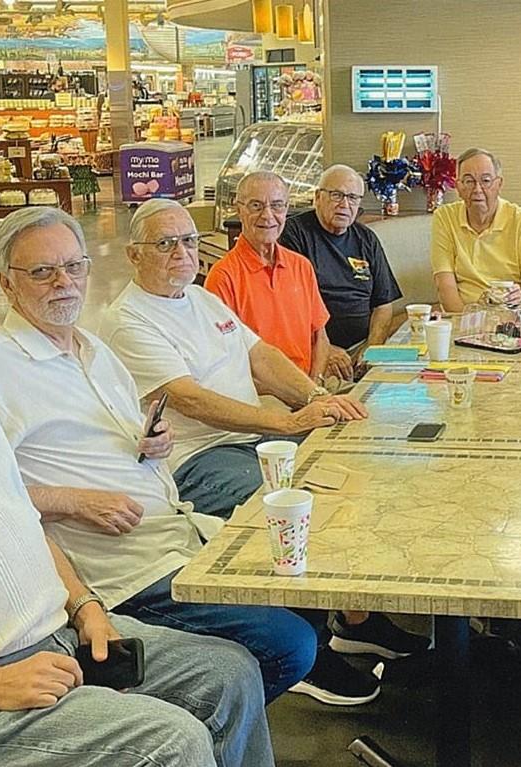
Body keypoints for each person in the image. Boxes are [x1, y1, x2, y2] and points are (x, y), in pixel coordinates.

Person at [0, 212, 274, 767]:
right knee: (170, 741)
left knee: (229, 673)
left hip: (62, 637)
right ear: (8, 282)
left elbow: (21, 520)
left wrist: (85, 606)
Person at [0, 207, 316, 705]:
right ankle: (190, 726)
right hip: (122, 572)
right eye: (42, 272)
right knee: (289, 645)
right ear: (6, 284)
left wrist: (151, 446)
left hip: (178, 530)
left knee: (307, 577)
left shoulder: (94, 351)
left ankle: (210, 720)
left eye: (74, 267)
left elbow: (125, 446)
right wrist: (73, 501)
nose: (64, 282)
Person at [102, 198, 428, 707]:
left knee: (360, 469)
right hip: (197, 460)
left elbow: (260, 358)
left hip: (252, 440)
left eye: (189, 241)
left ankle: (352, 617)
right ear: (132, 254)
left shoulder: (200, 298)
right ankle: (312, 652)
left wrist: (319, 400)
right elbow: (191, 399)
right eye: (164, 244)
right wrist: (287, 421)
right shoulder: (128, 320)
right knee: (307, 506)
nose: (181, 254)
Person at [280, 164, 404, 382]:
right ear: (318, 197)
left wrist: (371, 349)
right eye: (337, 195)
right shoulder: (294, 234)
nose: (345, 205)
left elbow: (383, 304)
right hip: (317, 348)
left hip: (362, 345)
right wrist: (326, 350)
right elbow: (290, 308)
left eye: (353, 198)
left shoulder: (366, 238)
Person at [204, 171, 331, 381]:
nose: (268, 215)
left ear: (287, 209)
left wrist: (314, 386)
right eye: (256, 206)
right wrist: (297, 394)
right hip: (262, 395)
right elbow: (223, 363)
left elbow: (320, 337)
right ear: (239, 210)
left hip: (310, 385)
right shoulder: (223, 277)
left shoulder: (301, 266)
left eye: (277, 205)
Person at [430, 147, 521, 313]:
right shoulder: (445, 217)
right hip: (463, 315)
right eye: (469, 181)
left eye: (486, 181)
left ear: (499, 184)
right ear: (458, 187)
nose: (477, 189)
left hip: (511, 317)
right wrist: (468, 323)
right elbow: (445, 286)